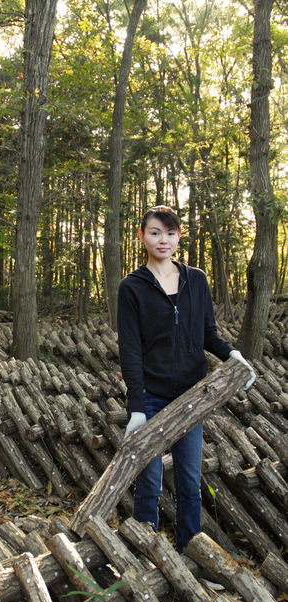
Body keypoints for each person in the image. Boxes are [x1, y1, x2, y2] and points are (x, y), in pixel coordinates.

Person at [117, 205, 255, 552]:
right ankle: (144, 550)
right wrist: (136, 407)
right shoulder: (132, 287)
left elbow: (208, 332)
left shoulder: (197, 279)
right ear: (142, 236)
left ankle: (188, 552)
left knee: (190, 481)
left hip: (193, 397)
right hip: (152, 395)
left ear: (179, 237)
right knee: (148, 481)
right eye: (155, 232)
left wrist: (231, 354)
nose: (163, 240)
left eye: (170, 233)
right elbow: (130, 351)